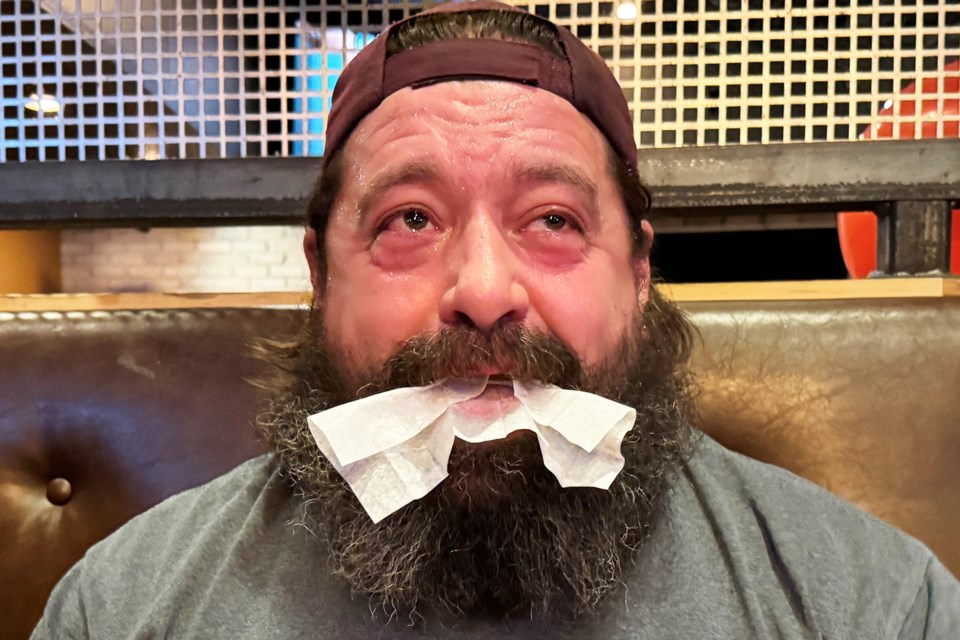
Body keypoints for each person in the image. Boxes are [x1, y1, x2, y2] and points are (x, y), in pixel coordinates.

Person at [32, 2, 960, 638]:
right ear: (320, 274)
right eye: (410, 221)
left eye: (553, 221)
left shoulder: (873, 603)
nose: (482, 287)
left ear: (638, 273)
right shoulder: (126, 609)